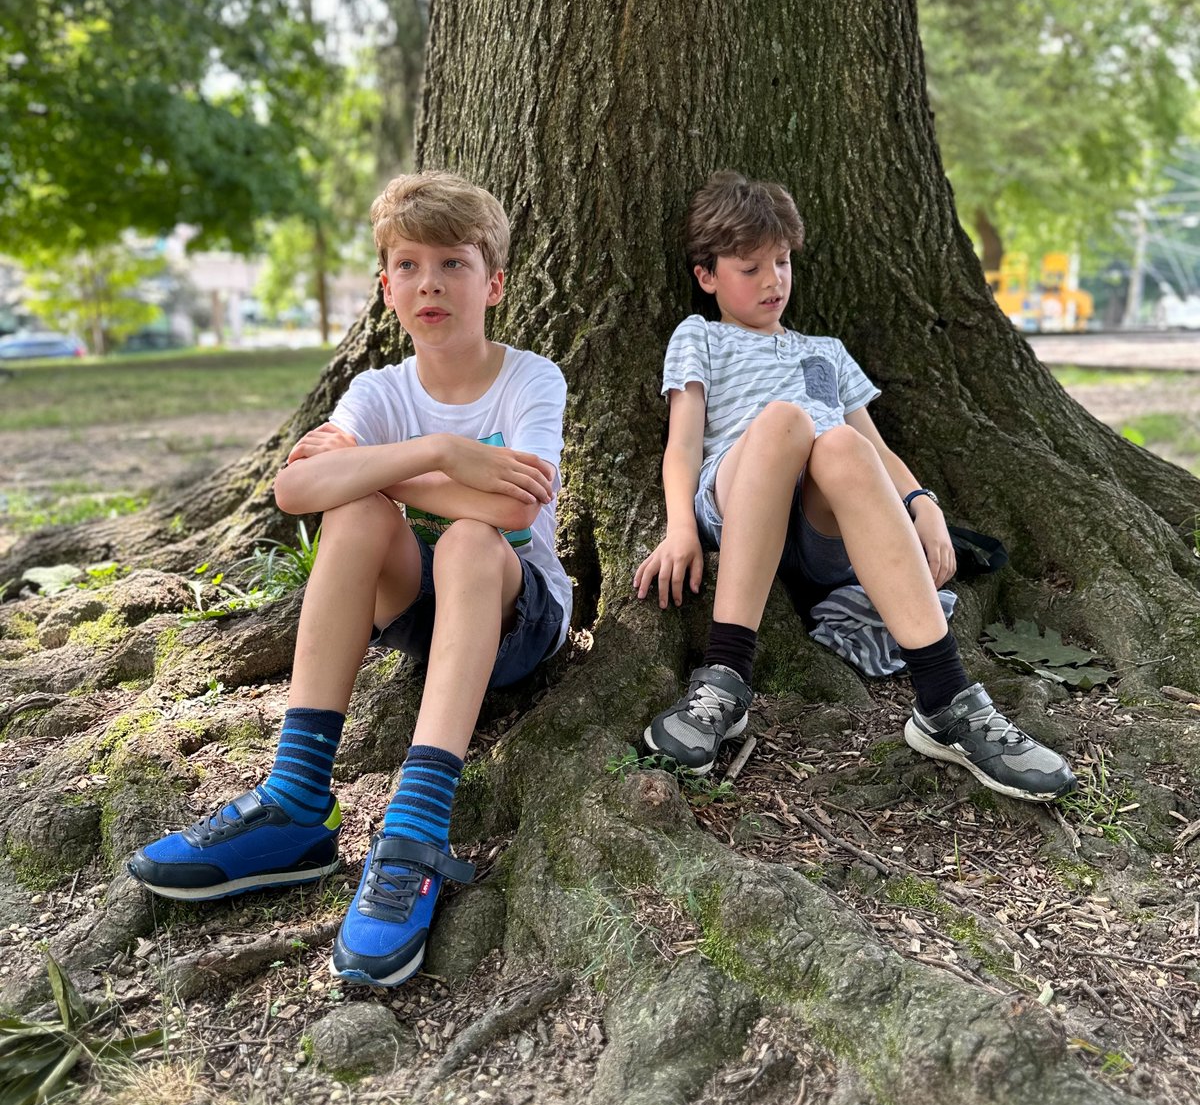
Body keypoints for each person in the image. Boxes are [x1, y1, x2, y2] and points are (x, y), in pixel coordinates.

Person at [128, 171, 572, 987]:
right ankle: (297, 799)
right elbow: (295, 491)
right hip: (422, 615)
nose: (428, 282)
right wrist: (439, 454)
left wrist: (372, 470)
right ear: (386, 287)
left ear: (495, 282)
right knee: (357, 516)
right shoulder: (379, 390)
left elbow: (515, 512)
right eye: (407, 265)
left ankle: (415, 828)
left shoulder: (530, 379)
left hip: (515, 614)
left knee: (467, 539)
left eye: (452, 263)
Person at [634, 170, 1075, 803]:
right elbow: (682, 444)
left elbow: (878, 450)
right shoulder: (699, 336)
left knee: (840, 440)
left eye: (782, 263)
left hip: (821, 525)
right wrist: (680, 529)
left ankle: (947, 700)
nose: (772, 281)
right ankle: (725, 677)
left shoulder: (826, 351)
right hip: (739, 498)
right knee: (787, 420)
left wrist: (923, 505)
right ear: (706, 276)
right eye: (749, 267)